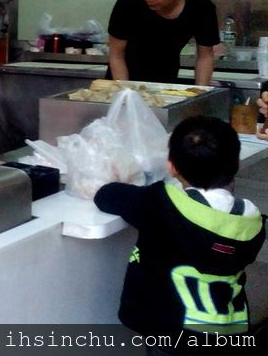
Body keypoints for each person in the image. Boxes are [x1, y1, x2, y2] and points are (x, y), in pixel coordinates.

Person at [95, 116, 265, 354]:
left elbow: (106, 195)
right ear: (236, 164)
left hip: (171, 335)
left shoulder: (159, 203)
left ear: (171, 166)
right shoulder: (250, 218)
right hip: (228, 333)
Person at [107, 0, 219, 85]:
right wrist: (125, 93)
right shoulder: (128, 3)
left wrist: (201, 92)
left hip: (166, 80)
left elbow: (205, 56)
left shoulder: (201, 7)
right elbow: (116, 55)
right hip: (122, 78)